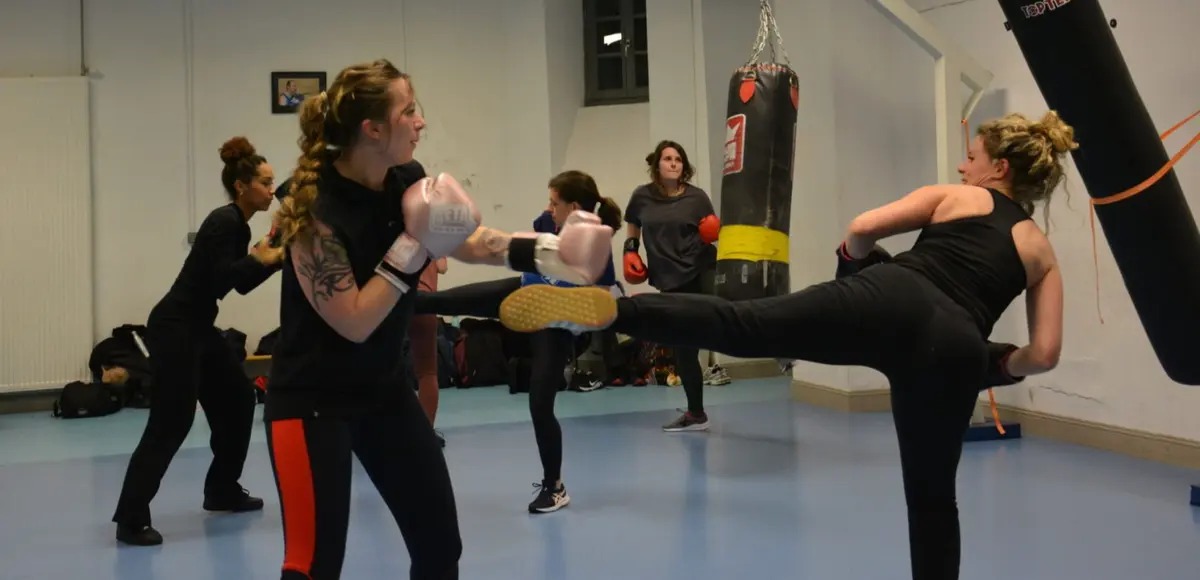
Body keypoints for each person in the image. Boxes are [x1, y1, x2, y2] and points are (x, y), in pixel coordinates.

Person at [497, 111, 1073, 580]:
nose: (960, 165)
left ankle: (613, 311)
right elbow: (1043, 355)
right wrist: (992, 363)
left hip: (893, 294)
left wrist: (853, 269)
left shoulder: (957, 197)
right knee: (932, 504)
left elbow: (863, 227)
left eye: (970, 158)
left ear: (998, 167)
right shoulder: (1041, 251)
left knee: (742, 323)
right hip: (956, 351)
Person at [263, 58, 612, 580]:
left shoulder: (406, 180)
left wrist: (552, 252)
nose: (421, 121)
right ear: (373, 129)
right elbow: (354, 320)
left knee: (439, 548)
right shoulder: (314, 209)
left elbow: (467, 240)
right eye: (409, 111)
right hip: (310, 402)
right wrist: (412, 246)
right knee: (312, 567)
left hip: (383, 393)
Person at [410, 170, 622, 514]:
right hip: (526, 293)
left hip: (556, 320)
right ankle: (393, 297)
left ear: (575, 207)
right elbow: (526, 256)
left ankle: (555, 487)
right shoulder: (544, 221)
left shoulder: (595, 239)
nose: (548, 208)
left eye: (555, 202)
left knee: (540, 405)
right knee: (439, 301)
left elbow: (602, 294)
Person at [112, 136, 283, 546]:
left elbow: (235, 285)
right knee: (173, 420)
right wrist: (268, 256)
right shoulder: (224, 222)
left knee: (239, 401)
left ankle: (221, 489)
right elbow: (229, 277)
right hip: (175, 328)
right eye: (265, 182)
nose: (272, 190)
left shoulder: (237, 225)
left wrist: (273, 256)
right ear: (241, 186)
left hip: (198, 328)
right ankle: (131, 517)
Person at [622, 140, 723, 432]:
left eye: (678, 159)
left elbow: (711, 231)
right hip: (669, 278)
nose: (674, 163)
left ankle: (780, 345)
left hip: (702, 268)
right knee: (684, 350)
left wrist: (712, 233)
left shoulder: (697, 197)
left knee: (729, 316)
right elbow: (633, 225)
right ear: (657, 165)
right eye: (668, 158)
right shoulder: (641, 197)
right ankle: (696, 414)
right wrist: (630, 251)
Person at [411, 253, 448, 447]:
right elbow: (442, 267)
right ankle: (426, 434)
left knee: (384, 371)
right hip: (425, 299)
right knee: (427, 372)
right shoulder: (434, 238)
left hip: (393, 298)